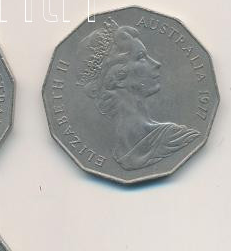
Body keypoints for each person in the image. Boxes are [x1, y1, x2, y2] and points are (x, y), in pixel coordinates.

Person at [77, 19, 200, 170]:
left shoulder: (176, 138)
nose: (156, 64)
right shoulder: (119, 153)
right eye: (141, 57)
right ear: (117, 77)